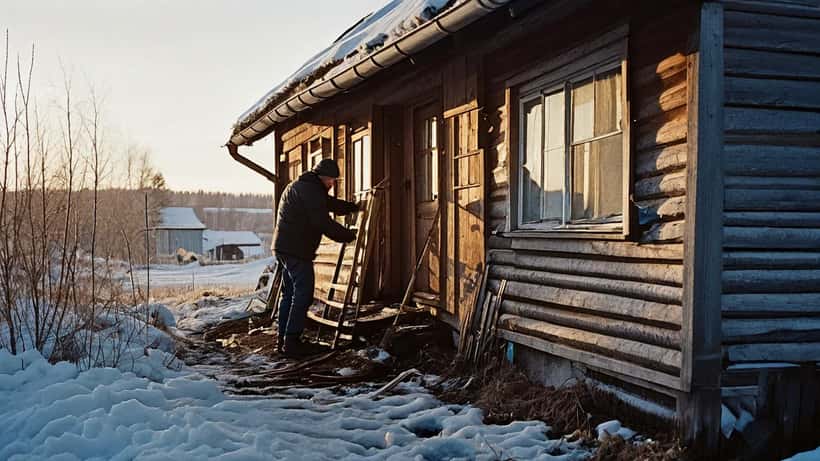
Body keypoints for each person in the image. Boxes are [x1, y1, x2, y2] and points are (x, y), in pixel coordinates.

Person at [272, 158, 359, 357]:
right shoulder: (310, 191)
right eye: (331, 180)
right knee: (303, 293)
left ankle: (284, 340)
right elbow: (321, 221)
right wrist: (347, 235)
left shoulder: (305, 187)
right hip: (296, 250)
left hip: (284, 248)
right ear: (323, 178)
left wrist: (350, 208)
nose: (333, 184)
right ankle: (292, 343)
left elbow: (328, 204)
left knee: (290, 294)